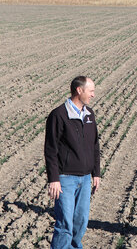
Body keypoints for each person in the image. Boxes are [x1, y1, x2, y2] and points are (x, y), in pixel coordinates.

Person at [44, 76, 101, 248]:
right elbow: (51, 150)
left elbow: (95, 146)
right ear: (79, 90)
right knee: (65, 224)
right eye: (90, 91)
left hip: (84, 179)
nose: (93, 95)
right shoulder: (59, 115)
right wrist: (54, 179)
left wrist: (96, 173)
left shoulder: (89, 114)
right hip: (65, 179)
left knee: (80, 223)